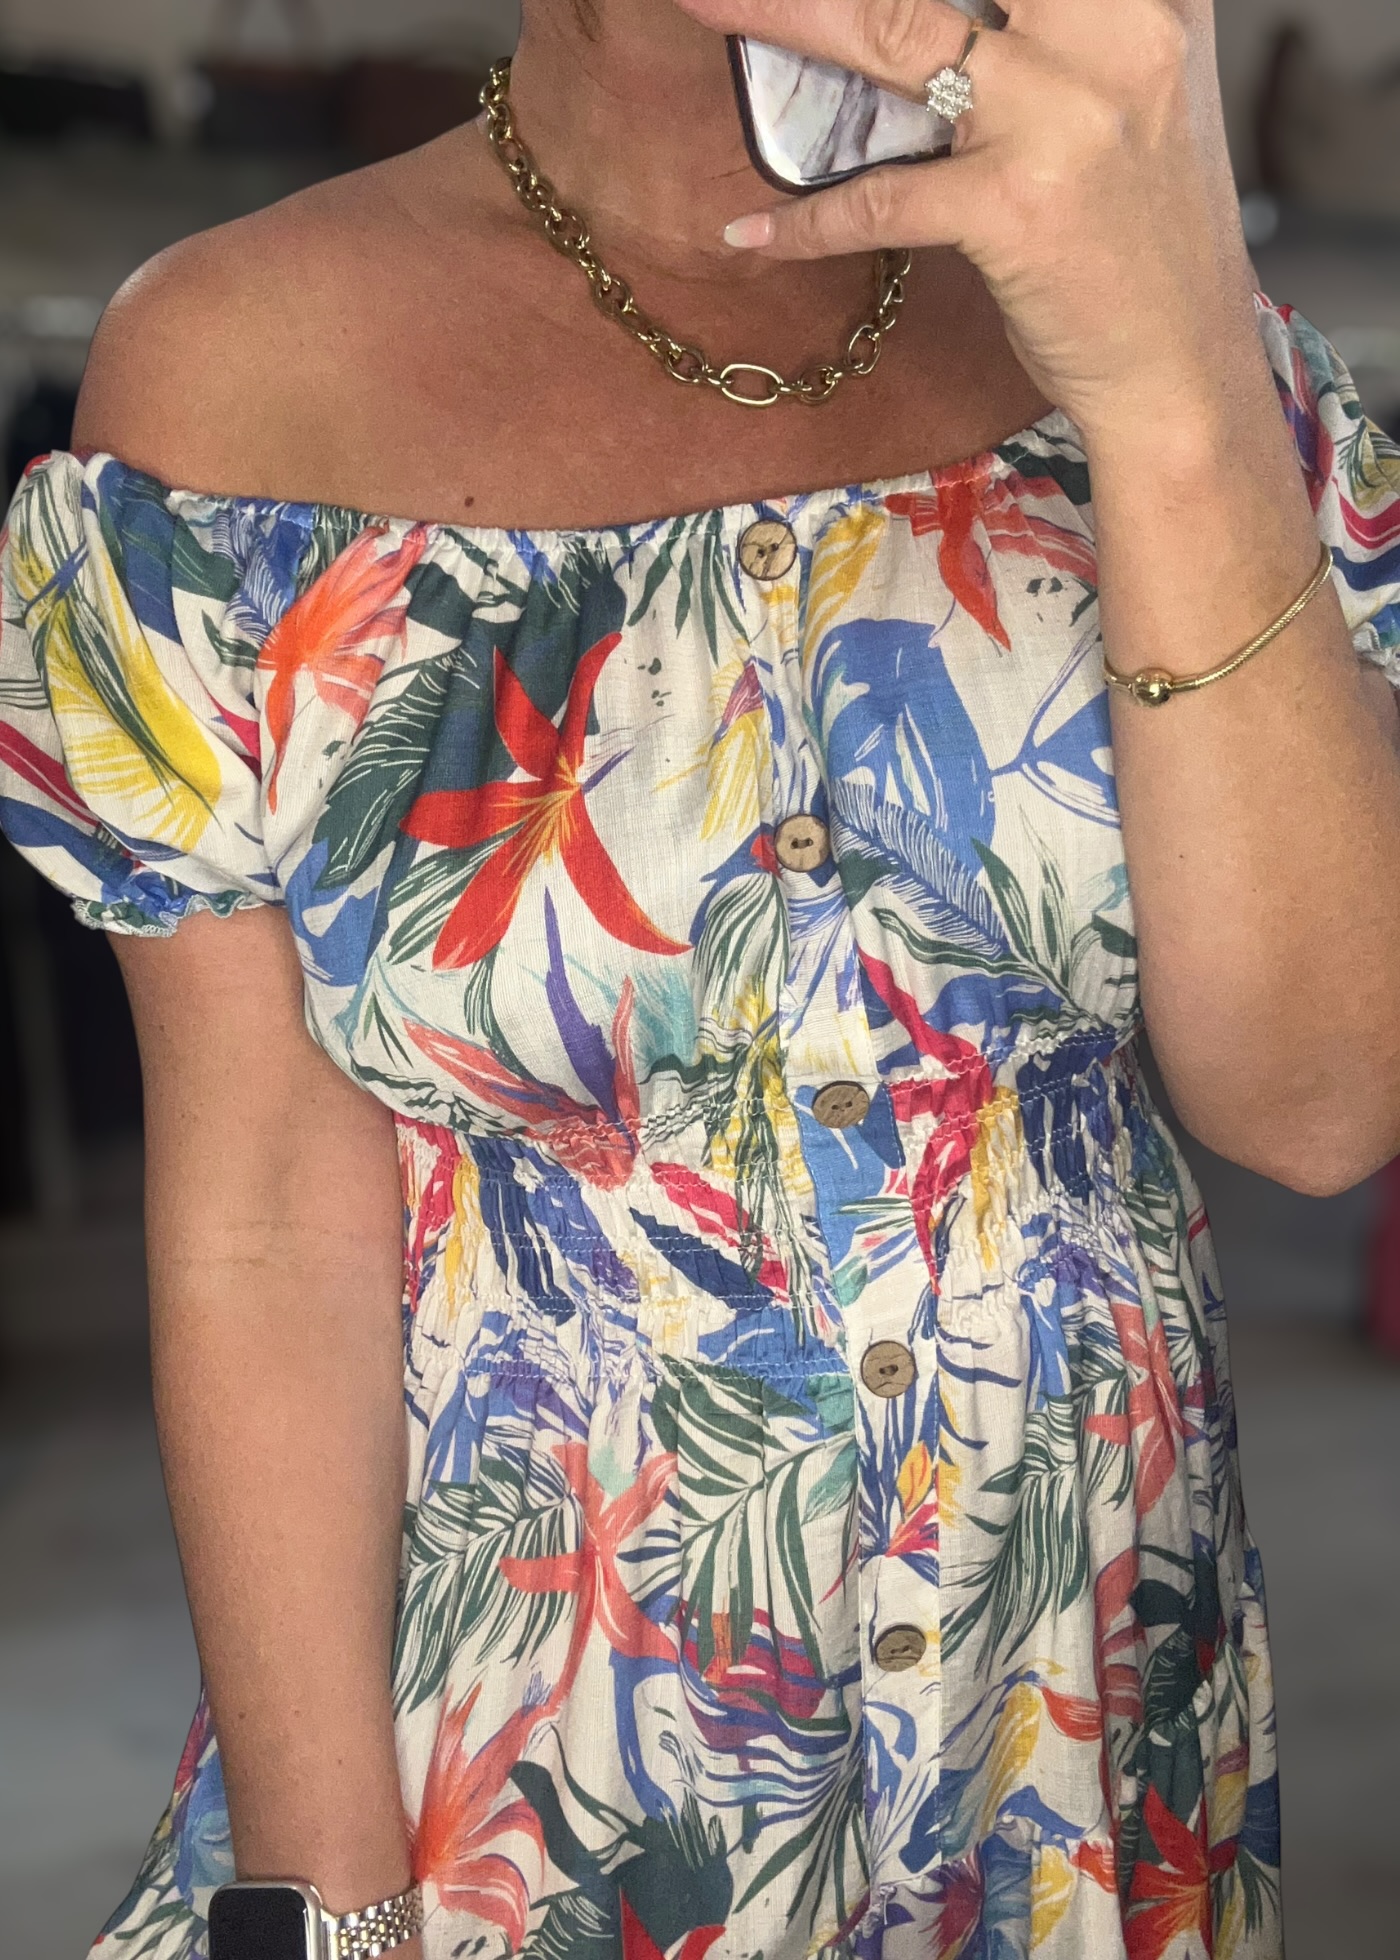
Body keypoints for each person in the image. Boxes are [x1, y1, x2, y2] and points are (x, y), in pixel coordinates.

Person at [2, 0, 1398, 1954]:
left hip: (1083, 1734)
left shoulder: (1167, 320)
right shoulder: (233, 381)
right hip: (540, 1785)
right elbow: (261, 1221)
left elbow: (1322, 1101)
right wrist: (328, 1912)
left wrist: (1171, 382)